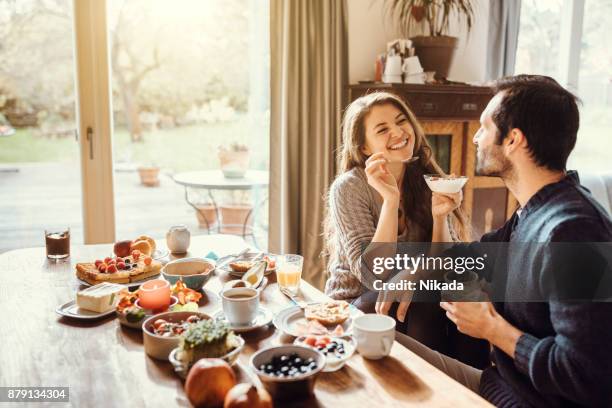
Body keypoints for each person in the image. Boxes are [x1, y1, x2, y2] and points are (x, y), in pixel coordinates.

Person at [387, 75, 612, 407]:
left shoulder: (576, 232)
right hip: (499, 385)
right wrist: (416, 270)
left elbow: (587, 375)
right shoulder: (533, 211)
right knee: (381, 341)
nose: (476, 138)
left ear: (513, 140)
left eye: (484, 127)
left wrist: (492, 329)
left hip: (525, 401)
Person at [323, 92, 489, 368]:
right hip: (355, 302)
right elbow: (372, 273)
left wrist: (440, 217)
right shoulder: (349, 188)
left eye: (402, 122)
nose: (398, 132)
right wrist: (390, 200)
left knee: (463, 292)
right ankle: (430, 389)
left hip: (411, 291)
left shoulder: (426, 179)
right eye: (382, 129)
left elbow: (446, 260)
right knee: (424, 300)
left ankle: (478, 389)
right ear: (364, 147)